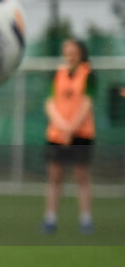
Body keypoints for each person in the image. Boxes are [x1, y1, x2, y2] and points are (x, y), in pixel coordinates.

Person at [42, 38, 96, 234]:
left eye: (73, 50)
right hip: (57, 134)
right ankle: (50, 218)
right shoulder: (57, 74)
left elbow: (87, 102)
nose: (69, 54)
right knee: (55, 177)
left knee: (82, 177)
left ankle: (85, 219)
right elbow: (49, 103)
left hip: (81, 133)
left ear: (80, 53)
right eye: (67, 50)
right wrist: (62, 126)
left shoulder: (88, 74)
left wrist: (71, 128)